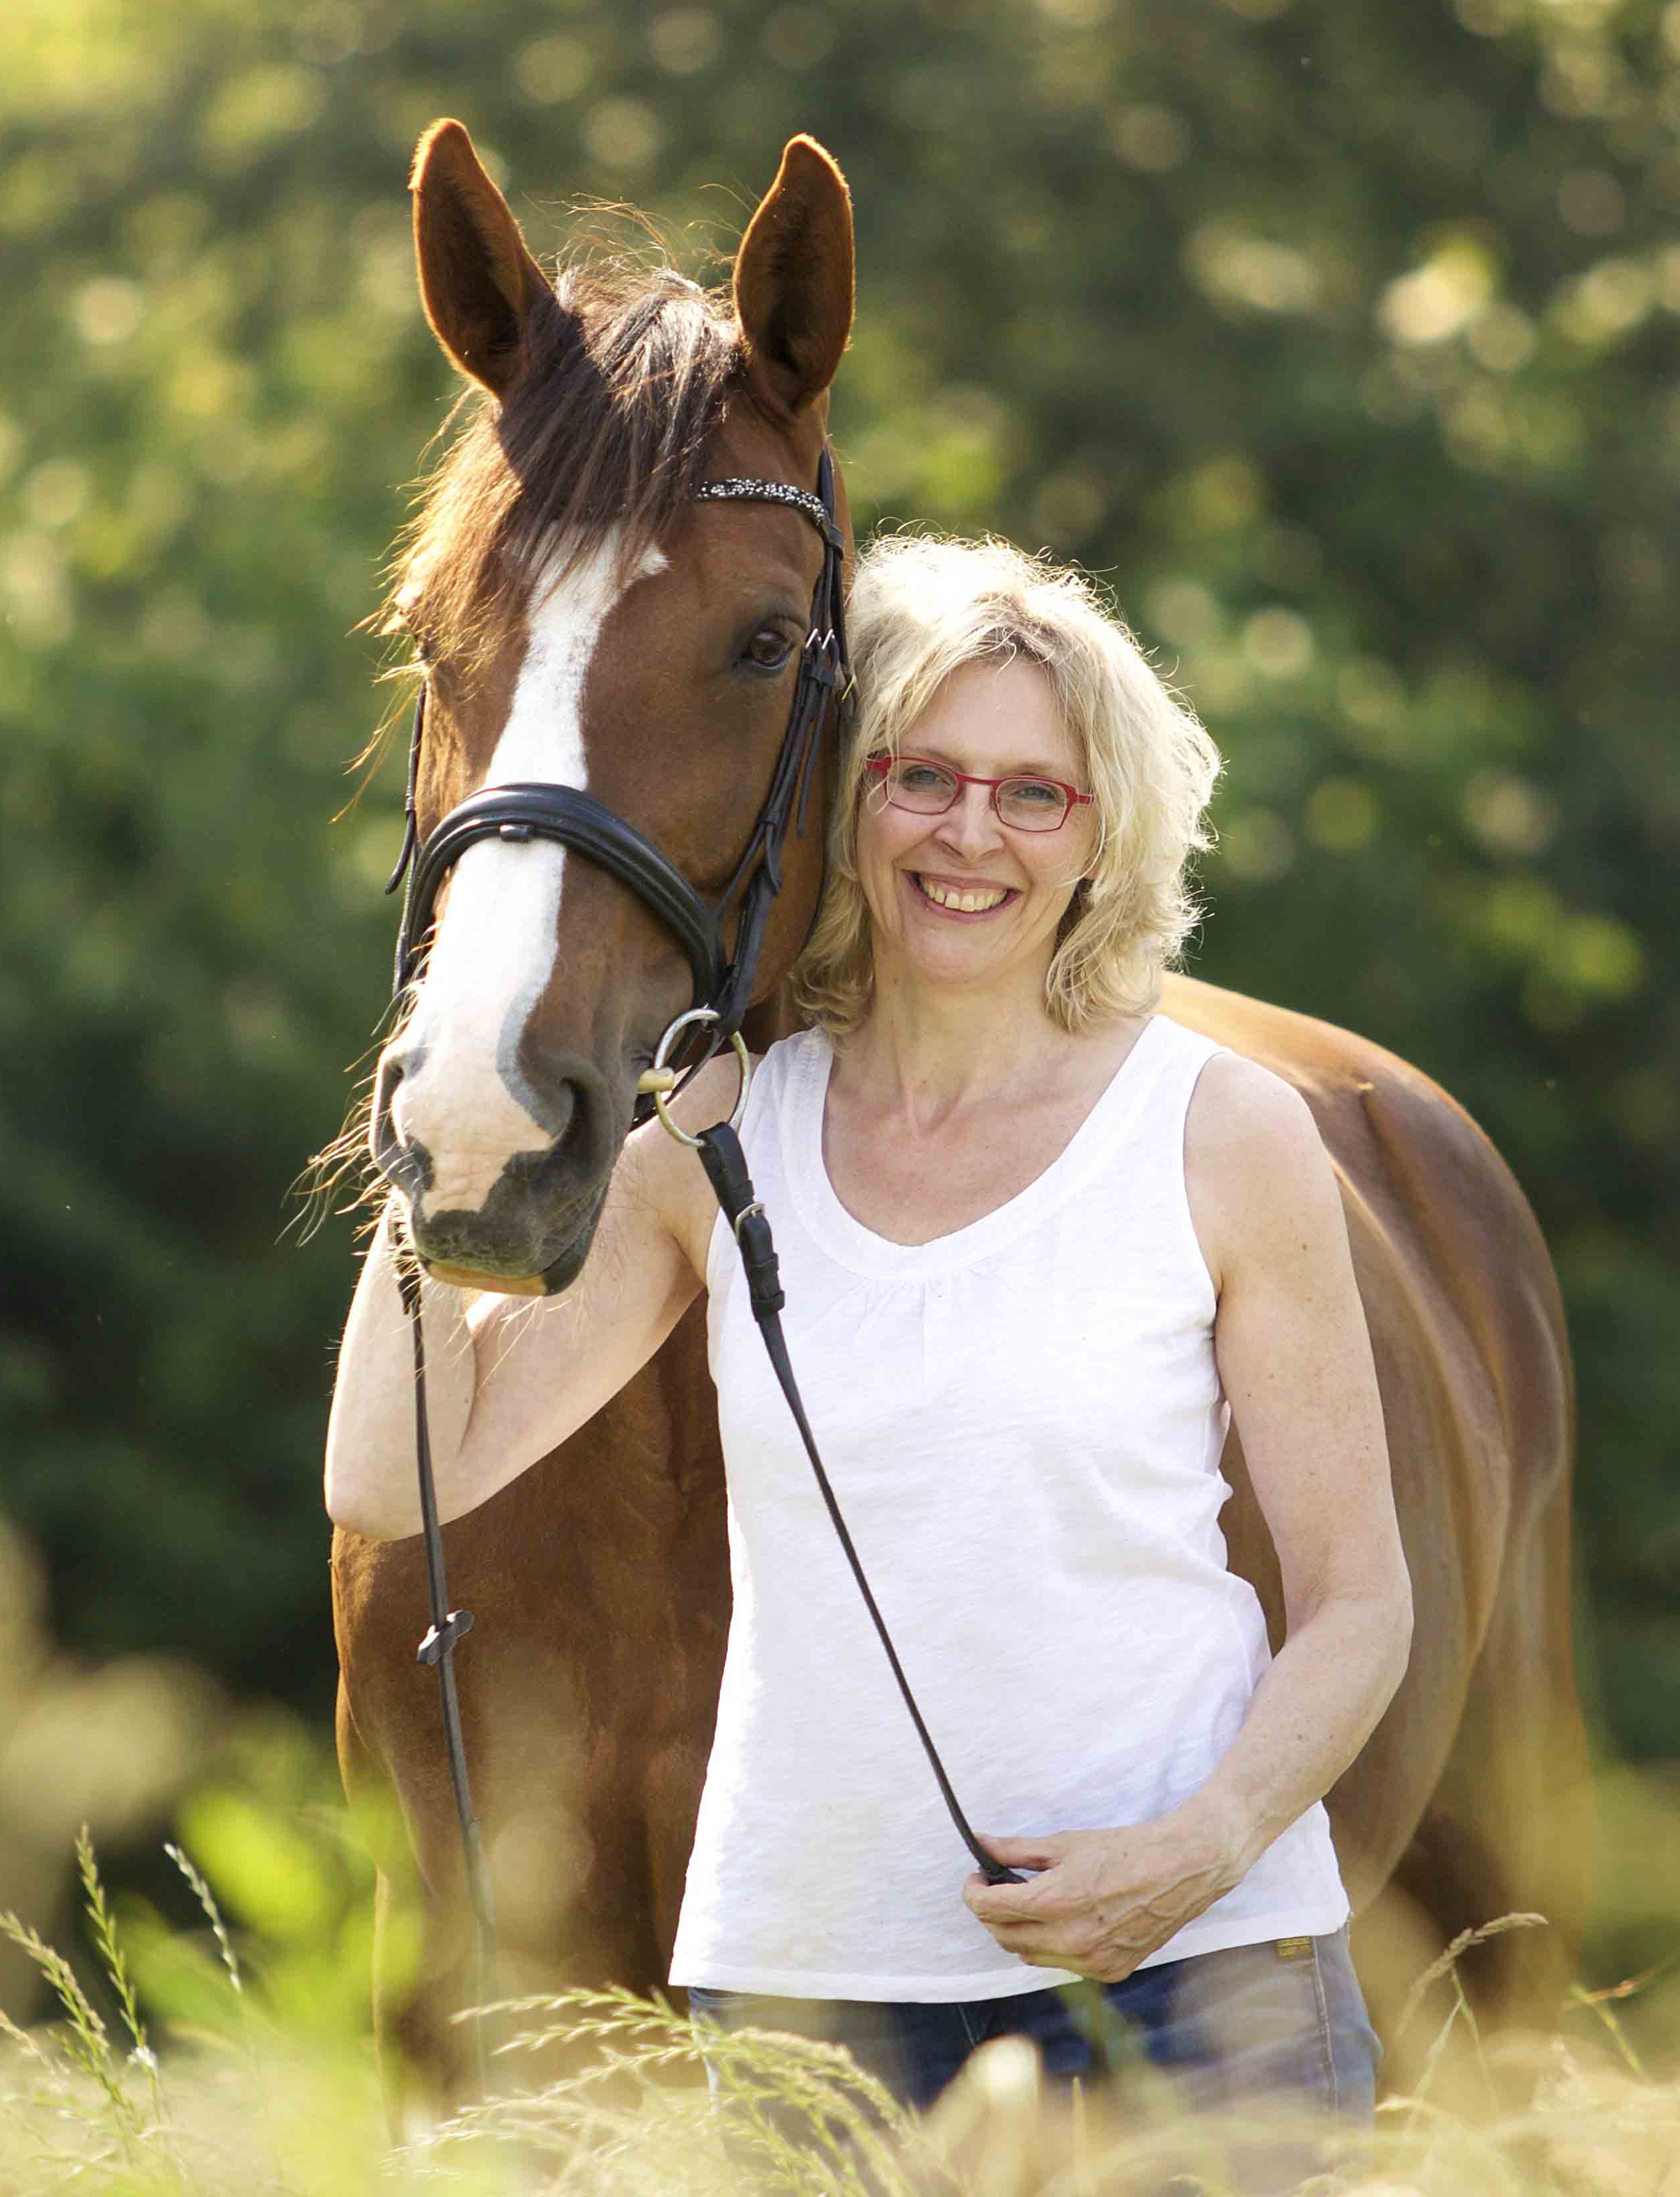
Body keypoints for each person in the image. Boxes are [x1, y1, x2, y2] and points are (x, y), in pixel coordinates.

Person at [326, 533, 1409, 2152]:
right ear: (850, 804)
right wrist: (445, 1092)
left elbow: (1361, 1603)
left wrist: (1204, 1848)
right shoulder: (724, 1138)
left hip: (1190, 1980)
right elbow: (395, 1474)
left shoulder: (1220, 1131)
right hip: (806, 2004)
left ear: (1100, 834)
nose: (971, 832)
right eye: (921, 776)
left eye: (1033, 792)